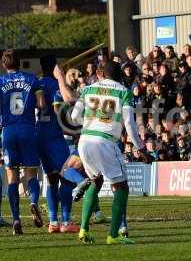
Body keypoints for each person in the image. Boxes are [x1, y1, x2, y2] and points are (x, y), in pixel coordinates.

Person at [59, 61, 142, 244]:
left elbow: (74, 117)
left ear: (102, 73)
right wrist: (141, 148)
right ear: (119, 75)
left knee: (95, 182)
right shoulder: (123, 91)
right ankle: (113, 235)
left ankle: (83, 230)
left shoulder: (88, 89)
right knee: (122, 187)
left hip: (85, 140)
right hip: (105, 142)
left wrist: (90, 123)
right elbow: (129, 124)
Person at [0, 50, 45, 235]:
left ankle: (16, 219)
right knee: (31, 174)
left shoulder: (1, 81)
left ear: (4, 65)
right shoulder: (32, 79)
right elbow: (41, 104)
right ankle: (33, 202)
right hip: (28, 129)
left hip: (9, 131)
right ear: (19, 63)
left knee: (12, 177)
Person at [37, 54, 79, 234]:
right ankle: (66, 221)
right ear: (55, 67)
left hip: (39, 135)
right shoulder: (55, 85)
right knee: (67, 178)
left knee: (52, 179)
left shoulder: (37, 84)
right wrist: (73, 128)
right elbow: (57, 108)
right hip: (54, 136)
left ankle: (53, 222)